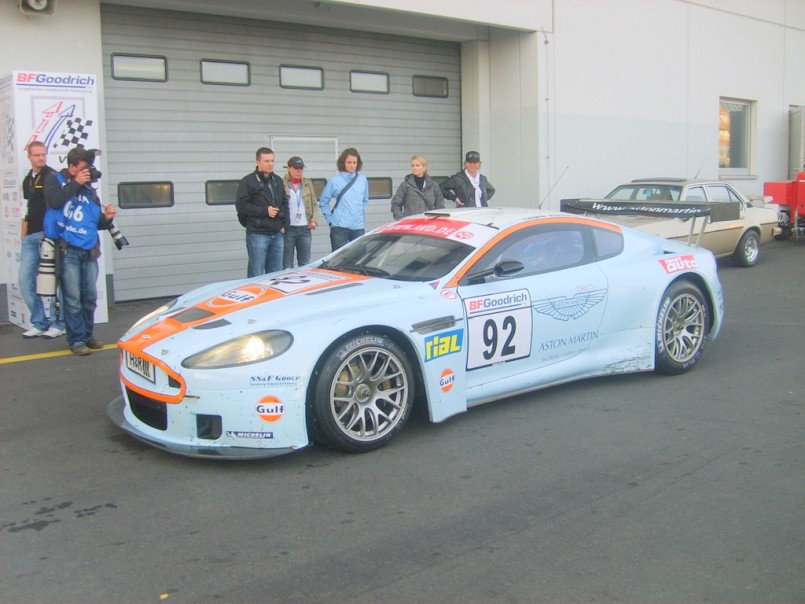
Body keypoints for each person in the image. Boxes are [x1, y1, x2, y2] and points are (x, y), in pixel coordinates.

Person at [44, 146, 116, 356]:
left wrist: (106, 219)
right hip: (68, 250)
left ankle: (87, 335)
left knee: (90, 297)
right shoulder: (55, 179)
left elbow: (93, 222)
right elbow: (55, 201)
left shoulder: (88, 189)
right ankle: (76, 340)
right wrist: (76, 183)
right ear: (72, 167)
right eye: (84, 168)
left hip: (89, 250)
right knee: (73, 299)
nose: (88, 172)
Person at [18, 141, 65, 339]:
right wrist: (24, 232)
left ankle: (58, 323)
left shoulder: (52, 176)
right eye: (37, 155)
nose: (41, 158)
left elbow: (59, 205)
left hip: (48, 235)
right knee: (24, 280)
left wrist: (53, 233)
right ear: (29, 156)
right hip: (31, 236)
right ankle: (39, 322)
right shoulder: (27, 179)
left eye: (43, 154)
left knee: (52, 282)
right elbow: (26, 208)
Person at [235, 147, 289, 277]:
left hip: (277, 234)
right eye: (266, 161)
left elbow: (284, 203)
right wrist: (265, 211)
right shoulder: (248, 181)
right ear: (258, 162)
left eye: (272, 161)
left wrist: (285, 225)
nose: (270, 164)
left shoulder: (277, 180)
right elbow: (242, 206)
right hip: (258, 234)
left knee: (275, 275)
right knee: (256, 274)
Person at [319, 147, 369, 251]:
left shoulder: (363, 180)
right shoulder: (334, 181)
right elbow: (324, 202)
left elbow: (364, 200)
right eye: (349, 162)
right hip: (339, 227)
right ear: (343, 163)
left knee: (360, 257)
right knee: (339, 258)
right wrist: (330, 221)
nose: (352, 165)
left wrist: (356, 213)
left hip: (358, 227)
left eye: (355, 162)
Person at [282, 156, 320, 269]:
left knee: (304, 264)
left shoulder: (307, 183)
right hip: (288, 228)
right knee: (287, 264)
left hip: (304, 228)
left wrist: (314, 220)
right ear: (289, 168)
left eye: (301, 168)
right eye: (296, 168)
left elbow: (314, 204)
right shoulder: (282, 183)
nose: (299, 171)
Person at [390, 154, 445, 220]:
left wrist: (436, 220)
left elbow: (439, 205)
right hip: (411, 223)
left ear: (424, 167)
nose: (414, 168)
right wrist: (401, 219)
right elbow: (395, 204)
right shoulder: (405, 185)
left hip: (428, 222)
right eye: (412, 166)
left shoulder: (433, 185)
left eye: (417, 165)